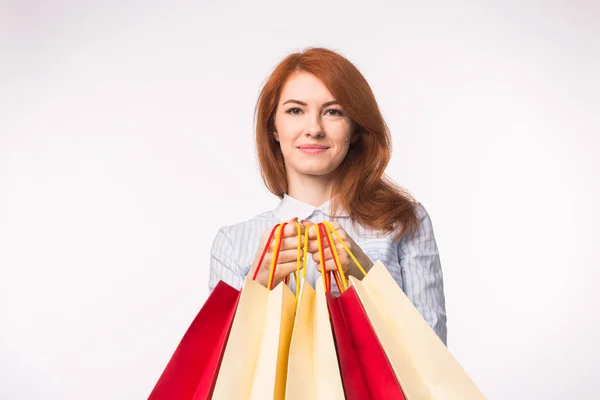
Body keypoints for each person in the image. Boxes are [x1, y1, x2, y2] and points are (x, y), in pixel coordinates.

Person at [208, 47, 447, 344]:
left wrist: (365, 277)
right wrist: (257, 287)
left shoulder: (403, 223)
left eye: (333, 112)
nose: (314, 129)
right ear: (273, 127)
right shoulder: (233, 242)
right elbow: (219, 374)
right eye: (295, 110)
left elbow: (433, 356)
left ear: (356, 128)